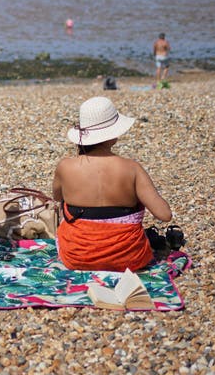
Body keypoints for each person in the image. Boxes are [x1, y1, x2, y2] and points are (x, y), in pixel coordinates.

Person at [52, 97, 173, 272]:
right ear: (113, 135)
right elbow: (164, 214)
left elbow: (57, 197)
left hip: (76, 257)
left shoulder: (65, 166)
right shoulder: (132, 168)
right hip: (130, 259)